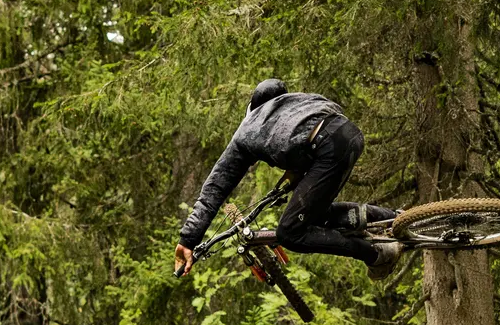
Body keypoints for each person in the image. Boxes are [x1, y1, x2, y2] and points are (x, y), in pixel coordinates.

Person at [173, 79, 403, 280]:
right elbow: (318, 128)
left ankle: (377, 255)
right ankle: (398, 220)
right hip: (348, 135)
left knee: (290, 233)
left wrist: (188, 239)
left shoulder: (246, 130)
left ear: (251, 108)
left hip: (326, 147)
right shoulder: (298, 103)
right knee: (316, 214)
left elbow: (214, 189)